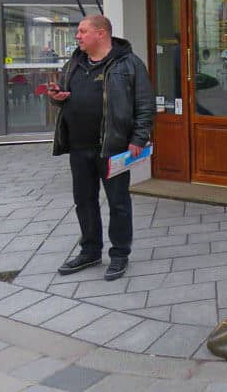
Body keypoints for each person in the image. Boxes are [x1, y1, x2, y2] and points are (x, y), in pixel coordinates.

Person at [48, 15, 154, 281]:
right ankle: (91, 250)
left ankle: (119, 254)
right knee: (84, 201)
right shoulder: (74, 62)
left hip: (113, 148)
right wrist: (57, 98)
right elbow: (65, 97)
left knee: (118, 203)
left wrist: (139, 139)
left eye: (83, 31)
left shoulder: (129, 64)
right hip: (78, 146)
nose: (78, 36)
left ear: (101, 34)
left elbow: (145, 104)